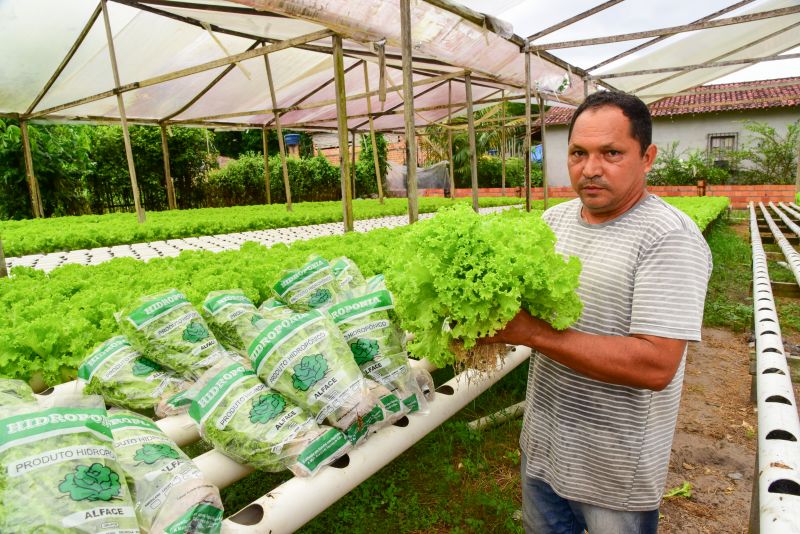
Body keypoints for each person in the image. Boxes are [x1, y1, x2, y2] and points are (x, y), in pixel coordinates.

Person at [482, 91, 712, 534]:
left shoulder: (668, 238)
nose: (590, 168)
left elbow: (656, 364)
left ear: (647, 158)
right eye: (578, 153)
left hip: (613, 471)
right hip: (544, 450)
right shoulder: (556, 222)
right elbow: (520, 312)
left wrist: (534, 334)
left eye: (611, 153)